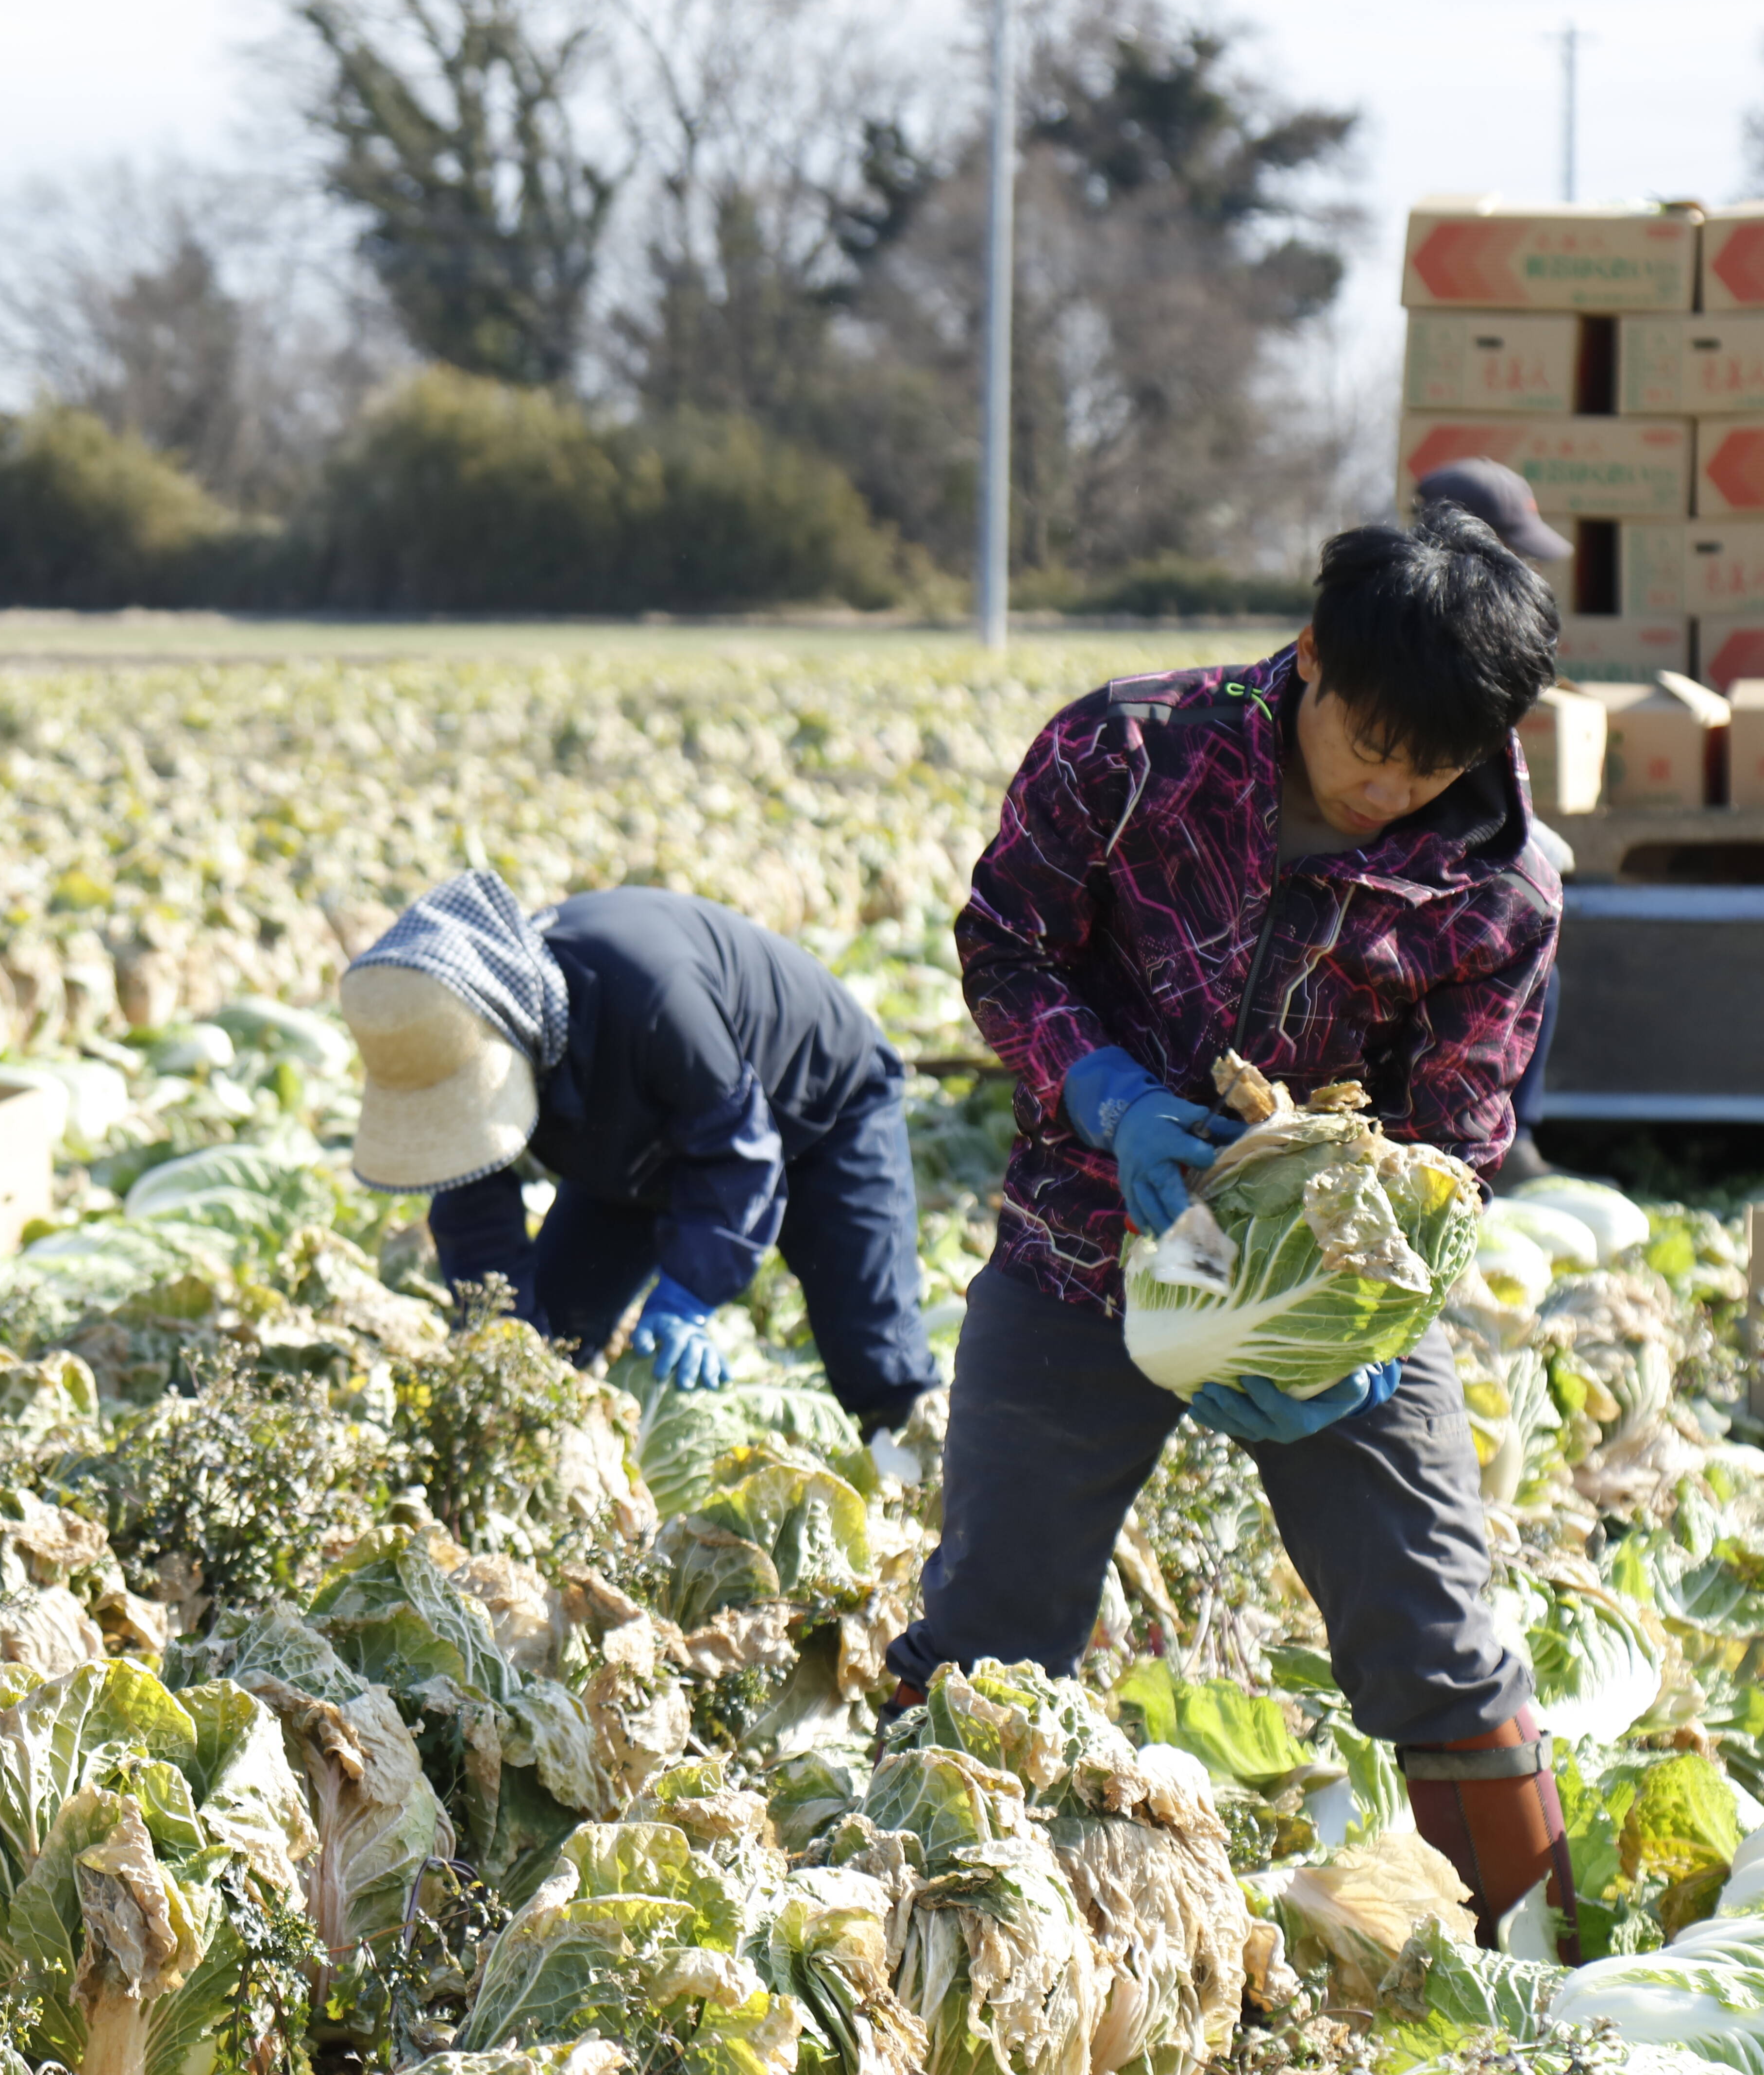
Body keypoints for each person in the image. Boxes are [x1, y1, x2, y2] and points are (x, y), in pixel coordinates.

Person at [881, 506, 1578, 1951]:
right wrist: (1104, 1091)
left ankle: (1538, 1979)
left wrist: (1365, 1336)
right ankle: (912, 1938)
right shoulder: (1129, 751)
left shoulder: (1499, 886)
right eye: (1369, 741)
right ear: (1311, 657)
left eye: (1433, 761)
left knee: (1438, 1629)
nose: (1390, 784)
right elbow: (1002, 942)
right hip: (1086, 1235)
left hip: (1327, 1295)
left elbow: (1453, 1142)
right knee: (988, 1627)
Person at [338, 872, 941, 1458]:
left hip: (823, 1104)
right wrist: (499, 1346)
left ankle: (923, 1474)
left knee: (873, 1354)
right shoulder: (463, 1036)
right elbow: (473, 1213)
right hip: (632, 1138)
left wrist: (687, 1296)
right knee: (551, 1336)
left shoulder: (651, 990)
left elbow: (740, 1152)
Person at [1415, 456, 1576, 1186]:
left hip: (1453, 824)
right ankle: (1493, 1143)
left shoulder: (1493, 617)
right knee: (1519, 925)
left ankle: (1506, 1134)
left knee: (1538, 920)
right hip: (1413, 837)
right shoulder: (1418, 618)